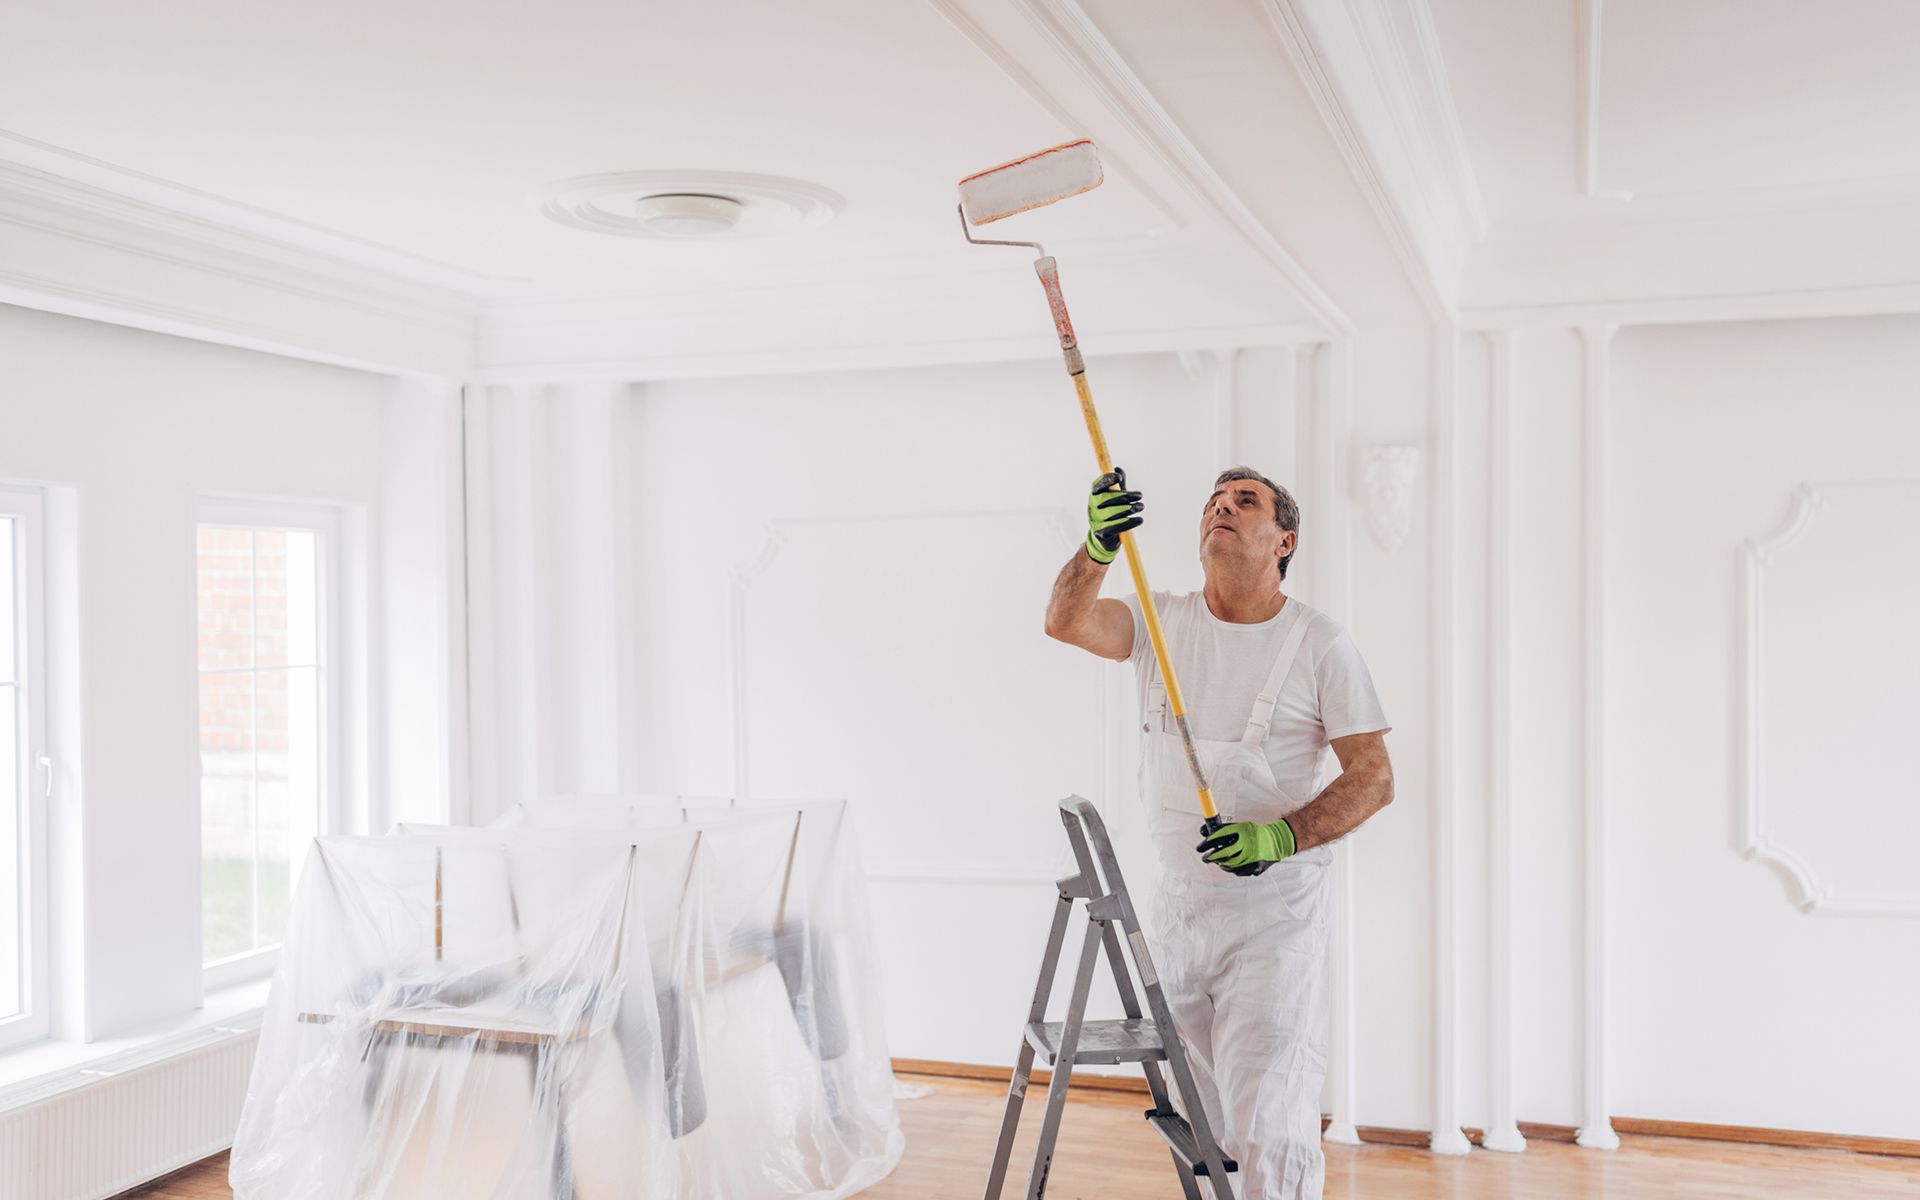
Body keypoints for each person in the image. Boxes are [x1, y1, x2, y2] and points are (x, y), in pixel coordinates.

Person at [1042, 465, 1395, 1200]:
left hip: (1275, 925)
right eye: (1213, 500)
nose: (1220, 509)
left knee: (1271, 1116)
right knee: (1209, 1127)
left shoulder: (1319, 643)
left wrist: (1282, 837)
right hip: (1180, 914)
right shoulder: (1159, 625)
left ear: (1282, 540)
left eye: (1244, 502)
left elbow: (1373, 776)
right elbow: (1067, 621)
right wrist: (1097, 548)